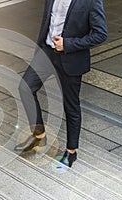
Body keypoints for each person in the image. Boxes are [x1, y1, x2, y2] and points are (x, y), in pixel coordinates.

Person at [14, 0, 107, 168]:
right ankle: (39, 136)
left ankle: (71, 151)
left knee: (70, 105)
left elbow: (101, 34)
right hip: (46, 52)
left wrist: (68, 44)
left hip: (70, 57)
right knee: (25, 87)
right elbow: (48, 20)